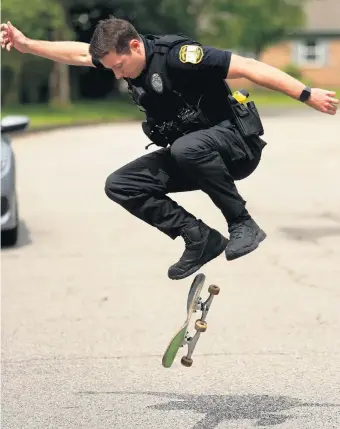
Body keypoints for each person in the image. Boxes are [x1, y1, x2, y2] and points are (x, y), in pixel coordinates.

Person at [1, 18, 338, 280]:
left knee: (185, 148)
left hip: (235, 145)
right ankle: (199, 237)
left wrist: (305, 94)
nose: (118, 75)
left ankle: (243, 224)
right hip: (192, 153)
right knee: (121, 184)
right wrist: (27, 44)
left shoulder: (179, 57)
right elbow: (76, 53)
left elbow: (250, 66)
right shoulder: (121, 58)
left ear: (135, 46)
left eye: (119, 66)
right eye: (111, 69)